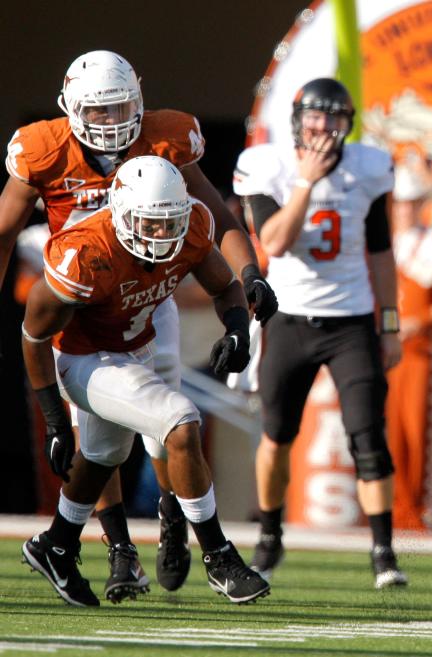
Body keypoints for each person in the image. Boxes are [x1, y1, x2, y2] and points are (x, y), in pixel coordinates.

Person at [0, 50, 277, 600]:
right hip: (81, 307)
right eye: (96, 112)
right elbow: (8, 239)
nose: (109, 122)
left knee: (130, 440)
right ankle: (138, 550)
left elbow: (213, 221)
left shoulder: (171, 162)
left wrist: (248, 281)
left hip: (150, 300)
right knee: (149, 424)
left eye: (120, 108)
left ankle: (130, 525)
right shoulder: (44, 154)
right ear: (71, 109)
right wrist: (53, 415)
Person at [233, 78, 406, 588]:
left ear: (348, 124)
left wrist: (389, 323)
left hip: (350, 321)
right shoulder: (270, 167)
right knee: (277, 435)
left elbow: (380, 252)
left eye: (334, 118)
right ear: (297, 120)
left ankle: (383, 551)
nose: (324, 127)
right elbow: (275, 243)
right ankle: (269, 535)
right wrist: (306, 182)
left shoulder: (368, 168)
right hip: (287, 318)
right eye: (315, 117)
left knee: (368, 436)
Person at [386, 162, 432, 530]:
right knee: (386, 433)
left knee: (417, 431)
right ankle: (392, 510)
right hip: (383, 355)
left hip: (419, 354)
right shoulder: (380, 247)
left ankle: (419, 512)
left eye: (411, 202)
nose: (405, 209)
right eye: (399, 203)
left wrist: (420, 323)